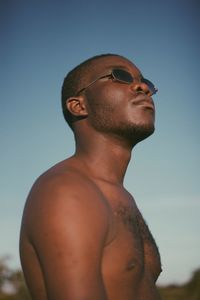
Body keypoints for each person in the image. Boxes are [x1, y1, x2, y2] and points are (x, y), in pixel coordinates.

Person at [20, 53, 162, 300]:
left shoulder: (118, 194)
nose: (142, 88)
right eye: (120, 76)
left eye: (146, 82)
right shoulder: (66, 190)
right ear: (79, 106)